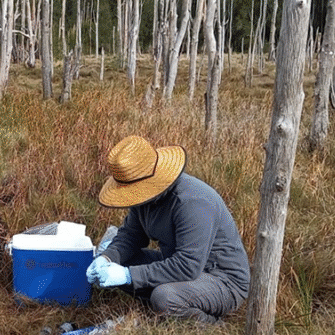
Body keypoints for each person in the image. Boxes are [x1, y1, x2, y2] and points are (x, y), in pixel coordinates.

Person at [86, 135, 251, 324]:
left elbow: (188, 266)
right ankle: (169, 309)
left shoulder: (193, 202)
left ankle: (211, 326)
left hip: (222, 280)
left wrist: (128, 276)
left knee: (164, 297)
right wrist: (106, 258)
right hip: (180, 266)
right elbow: (131, 236)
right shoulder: (144, 200)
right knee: (122, 259)